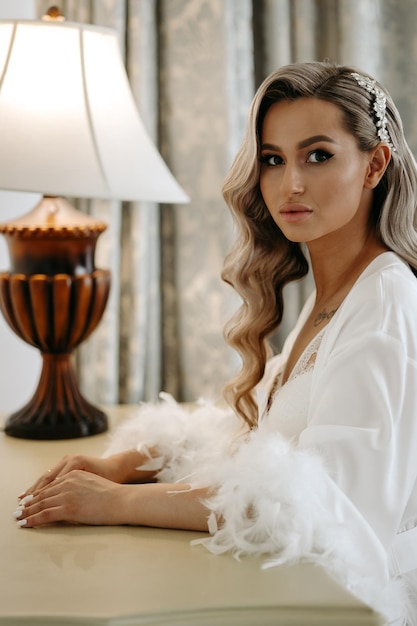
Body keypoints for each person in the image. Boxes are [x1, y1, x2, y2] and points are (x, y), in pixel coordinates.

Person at [14, 61, 417, 624]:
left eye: (318, 155)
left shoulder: (385, 304)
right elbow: (265, 449)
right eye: (273, 160)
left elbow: (316, 505)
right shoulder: (335, 295)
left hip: (344, 606)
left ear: (374, 164)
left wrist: (119, 502)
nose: (290, 184)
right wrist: (131, 464)